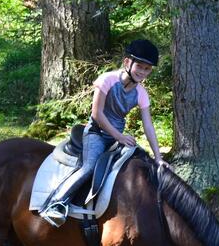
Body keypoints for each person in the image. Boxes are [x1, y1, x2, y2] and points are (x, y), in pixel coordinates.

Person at [40, 39, 167, 226]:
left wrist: (157, 157)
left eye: (147, 69)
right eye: (139, 66)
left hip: (118, 137)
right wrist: (119, 136)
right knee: (89, 167)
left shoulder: (141, 93)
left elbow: (148, 125)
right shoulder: (107, 80)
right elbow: (97, 114)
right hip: (97, 133)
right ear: (126, 63)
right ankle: (56, 203)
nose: (143, 72)